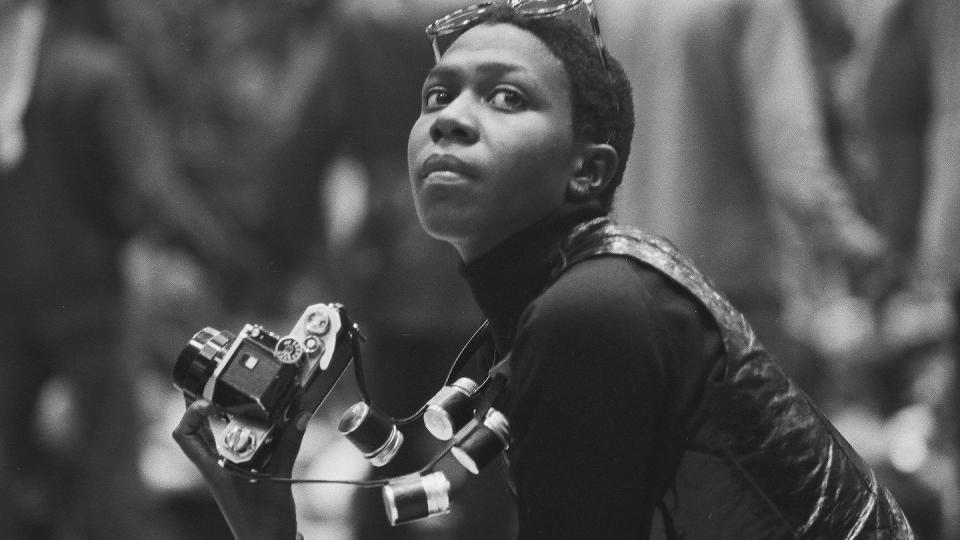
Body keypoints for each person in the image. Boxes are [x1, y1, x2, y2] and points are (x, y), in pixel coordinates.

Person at [174, 2, 915, 538]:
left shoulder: (590, 313)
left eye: (505, 97)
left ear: (589, 172)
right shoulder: (560, 301)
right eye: (437, 95)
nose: (450, 119)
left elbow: (798, 155)